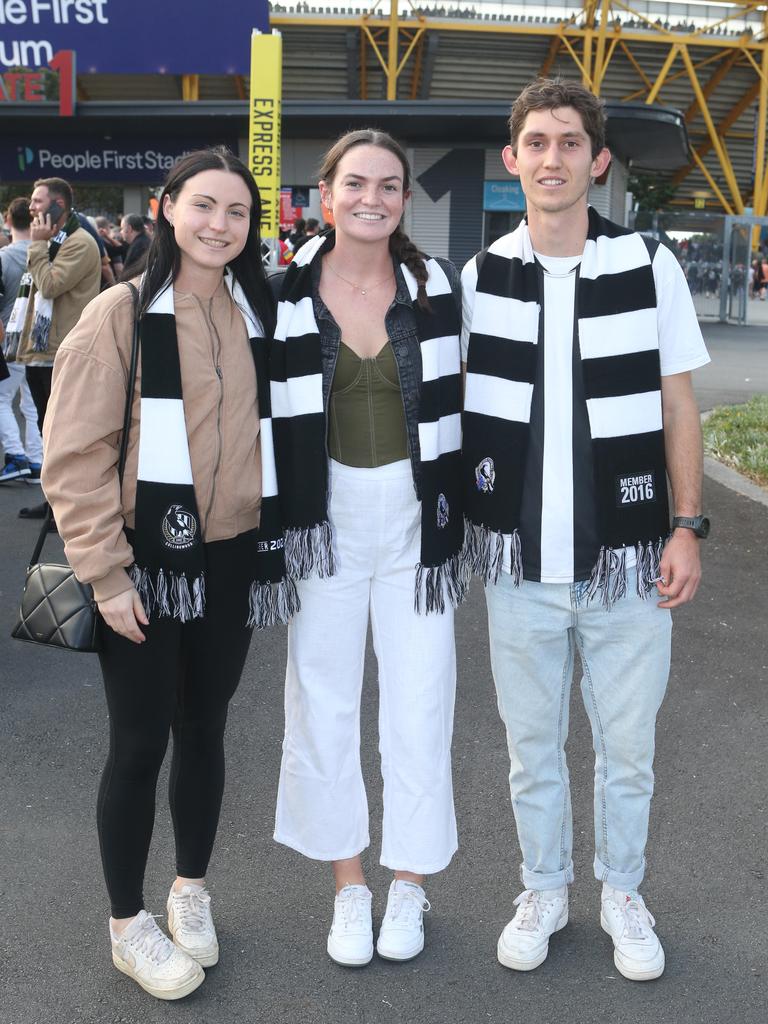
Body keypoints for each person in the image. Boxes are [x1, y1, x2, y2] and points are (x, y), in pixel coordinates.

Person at [461, 79, 710, 982]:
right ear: (512, 158)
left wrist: (687, 526)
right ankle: (545, 888)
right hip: (519, 563)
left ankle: (622, 892)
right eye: (538, 142)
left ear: (597, 161)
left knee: (627, 752)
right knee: (532, 750)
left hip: (629, 563)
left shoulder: (647, 264)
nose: (554, 158)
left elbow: (678, 404)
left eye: (571, 143)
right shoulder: (481, 275)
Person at [42, 147, 294, 1000]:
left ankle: (190, 889)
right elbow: (75, 455)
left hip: (232, 560)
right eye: (204, 206)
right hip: (147, 563)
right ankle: (127, 924)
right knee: (140, 742)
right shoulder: (121, 311)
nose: (220, 225)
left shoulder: (258, 309)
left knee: (208, 729)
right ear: (167, 208)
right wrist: (107, 576)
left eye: (238, 212)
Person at [272, 129, 466, 967]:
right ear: (326, 195)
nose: (372, 198)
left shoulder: (435, 286)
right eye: (356, 183)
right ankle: (351, 885)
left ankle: (410, 885)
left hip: (419, 519)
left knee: (422, 705)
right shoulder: (279, 294)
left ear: (404, 199)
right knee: (323, 701)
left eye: (389, 185)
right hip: (324, 517)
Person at [8, 176, 101, 518]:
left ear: (59, 205)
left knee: (63, 433)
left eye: (38, 201)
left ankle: (66, 507)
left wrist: (36, 245)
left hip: (62, 351)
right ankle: (53, 503)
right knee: (49, 432)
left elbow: (48, 284)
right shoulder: (55, 242)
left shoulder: (79, 243)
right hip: (41, 350)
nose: (31, 207)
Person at [0, 197, 44, 483]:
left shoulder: (4, 257)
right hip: (40, 336)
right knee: (33, 403)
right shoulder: (46, 252)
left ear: (7, 221)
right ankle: (36, 460)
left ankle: (16, 456)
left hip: (10, 337)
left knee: (2, 398)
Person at [120, 213, 151, 280]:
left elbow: (128, 274)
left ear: (129, 229)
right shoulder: (146, 241)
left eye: (122, 228)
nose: (121, 232)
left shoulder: (138, 246)